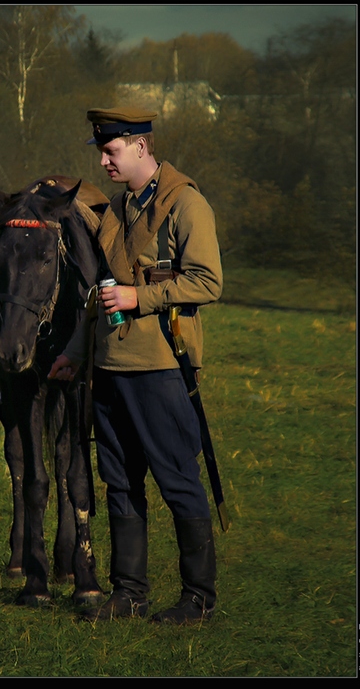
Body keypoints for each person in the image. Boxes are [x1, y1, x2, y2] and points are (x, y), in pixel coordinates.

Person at [48, 107, 223, 624]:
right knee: (120, 482)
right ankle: (129, 593)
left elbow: (208, 282)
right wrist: (75, 354)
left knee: (177, 481)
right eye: (102, 152)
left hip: (159, 367)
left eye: (111, 151)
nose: (103, 161)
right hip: (109, 368)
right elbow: (95, 297)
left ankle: (199, 600)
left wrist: (138, 296)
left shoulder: (186, 205)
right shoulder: (116, 212)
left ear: (141, 147)